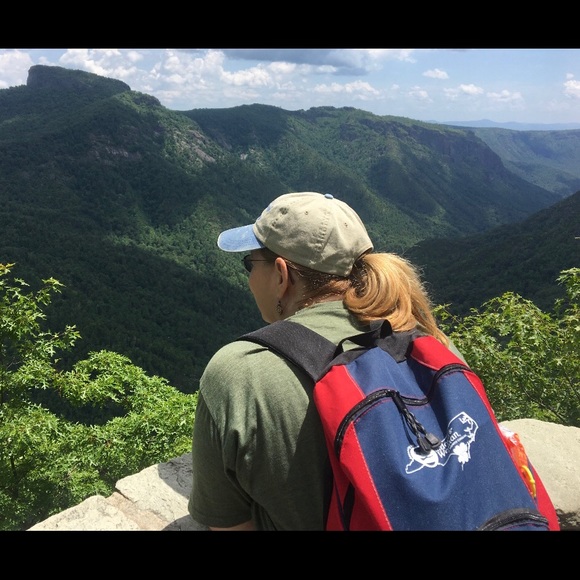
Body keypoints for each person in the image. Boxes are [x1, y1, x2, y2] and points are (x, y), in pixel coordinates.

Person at [188, 191, 463, 531]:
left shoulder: (239, 376)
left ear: (281, 275)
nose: (248, 277)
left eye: (250, 263)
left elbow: (230, 527)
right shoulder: (434, 345)